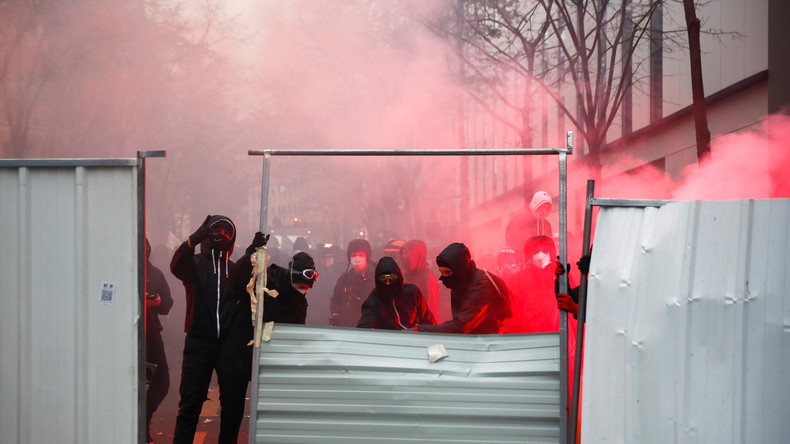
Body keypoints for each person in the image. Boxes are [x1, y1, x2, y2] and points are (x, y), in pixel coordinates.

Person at [170, 215, 246, 444]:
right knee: (190, 404)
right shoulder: (194, 265)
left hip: (228, 346)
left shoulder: (234, 270)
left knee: (232, 407)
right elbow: (175, 266)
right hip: (199, 342)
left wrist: (253, 252)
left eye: (226, 232)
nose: (221, 236)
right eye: (216, 231)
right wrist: (194, 238)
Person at [222, 232, 319, 392]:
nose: (303, 292)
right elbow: (235, 282)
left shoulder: (300, 301)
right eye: (301, 288)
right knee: (233, 412)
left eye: (307, 289)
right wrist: (250, 254)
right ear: (292, 279)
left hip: (267, 362)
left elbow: (293, 336)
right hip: (238, 356)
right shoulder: (265, 283)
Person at [416, 242, 511, 334]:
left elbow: (460, 327)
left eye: (447, 272)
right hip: (476, 340)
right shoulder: (461, 280)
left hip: (490, 344)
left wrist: (419, 329)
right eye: (441, 272)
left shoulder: (482, 287)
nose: (443, 277)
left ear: (459, 269)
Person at [144, 238, 173, 444]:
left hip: (151, 336)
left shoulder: (154, 273)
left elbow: (167, 303)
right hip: (126, 338)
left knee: (161, 382)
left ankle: (143, 418)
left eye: (146, 248)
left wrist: (156, 301)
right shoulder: (120, 271)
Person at [357, 256, 437, 330]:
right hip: (389, 341)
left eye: (391, 277)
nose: (388, 282)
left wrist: (436, 338)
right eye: (383, 278)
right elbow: (365, 324)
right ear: (377, 280)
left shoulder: (412, 292)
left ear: (398, 276)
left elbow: (428, 319)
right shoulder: (374, 299)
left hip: (413, 338)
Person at [505, 235, 560, 333]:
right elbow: (511, 310)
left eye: (545, 251)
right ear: (529, 254)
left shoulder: (561, 276)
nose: (541, 255)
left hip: (559, 334)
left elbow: (572, 306)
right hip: (529, 335)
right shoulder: (519, 278)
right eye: (536, 252)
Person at [329, 238, 375, 327]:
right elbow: (335, 300)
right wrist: (335, 315)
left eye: (361, 255)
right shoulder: (344, 279)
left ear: (367, 256)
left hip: (372, 327)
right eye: (354, 255)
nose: (357, 258)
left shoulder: (376, 277)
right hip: (350, 327)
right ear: (349, 258)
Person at [399, 239, 441, 322]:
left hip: (419, 328)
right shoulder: (406, 275)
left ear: (416, 255)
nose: (403, 257)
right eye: (402, 254)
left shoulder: (427, 278)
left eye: (407, 253)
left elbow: (432, 310)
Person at [505, 191, 553, 257]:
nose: (544, 211)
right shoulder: (518, 221)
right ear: (536, 204)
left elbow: (549, 245)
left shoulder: (546, 225)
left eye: (547, 208)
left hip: (542, 262)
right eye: (542, 207)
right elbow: (510, 244)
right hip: (522, 261)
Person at [307, 243, 345, 325]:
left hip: (333, 313)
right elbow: (312, 297)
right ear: (320, 259)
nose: (327, 260)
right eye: (324, 257)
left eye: (330, 257)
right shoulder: (314, 276)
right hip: (317, 315)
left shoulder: (339, 275)